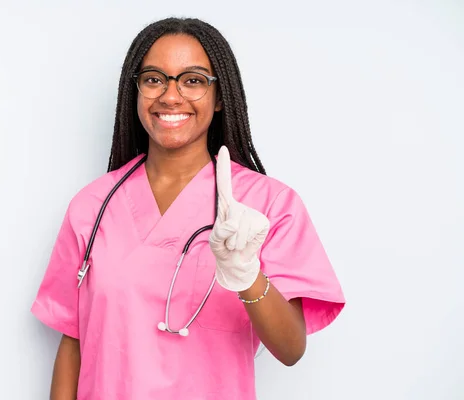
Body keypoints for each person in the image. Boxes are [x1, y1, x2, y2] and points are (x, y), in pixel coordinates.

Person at [31, 17, 345, 400]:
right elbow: (74, 341)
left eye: (193, 80)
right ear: (136, 92)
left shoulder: (269, 204)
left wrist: (248, 276)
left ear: (219, 98)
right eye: (153, 79)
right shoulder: (93, 206)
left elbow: (291, 349)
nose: (170, 95)